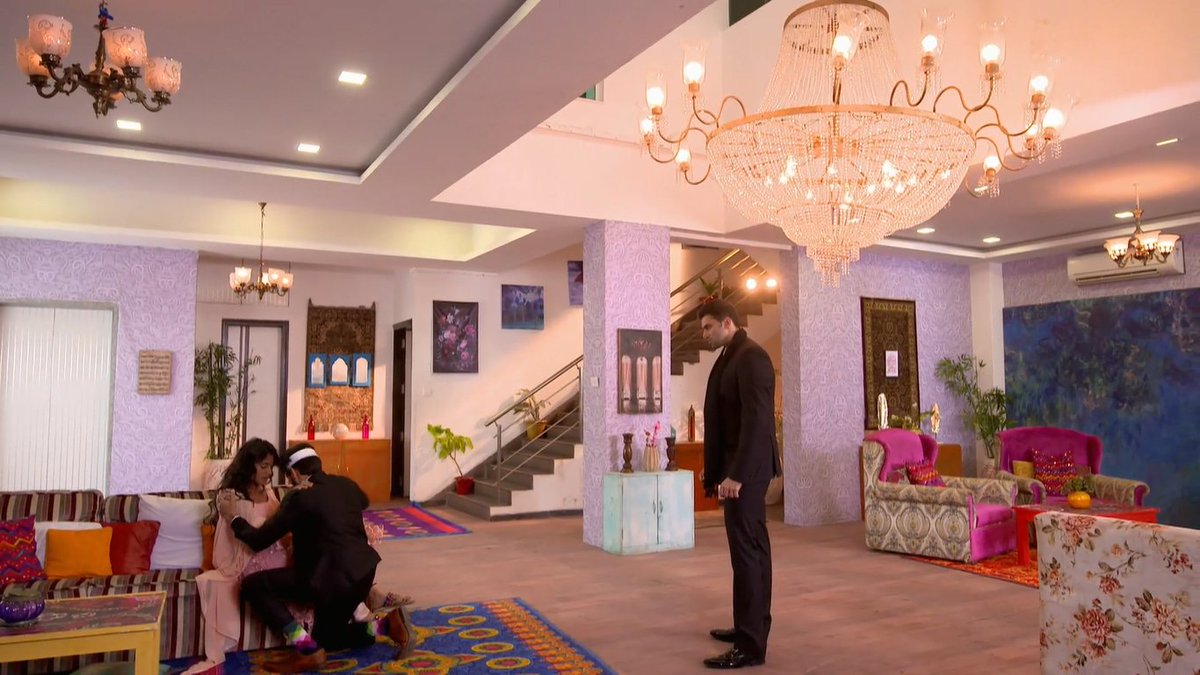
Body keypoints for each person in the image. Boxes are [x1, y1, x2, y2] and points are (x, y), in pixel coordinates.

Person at [217, 443, 412, 673]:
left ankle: (306, 650)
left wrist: (233, 517)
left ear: (294, 473)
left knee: (253, 586)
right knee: (327, 638)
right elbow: (363, 501)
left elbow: (259, 541)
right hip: (363, 575)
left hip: (325, 580)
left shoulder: (299, 496)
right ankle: (388, 626)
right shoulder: (346, 484)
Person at [699, 299, 781, 670]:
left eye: (708, 327)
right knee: (748, 552)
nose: (704, 334)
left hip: (746, 473)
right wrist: (716, 468)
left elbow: (757, 423)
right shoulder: (731, 356)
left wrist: (737, 474)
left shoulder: (751, 358)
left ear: (727, 323)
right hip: (737, 470)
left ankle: (750, 645)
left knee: (748, 554)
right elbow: (725, 420)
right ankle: (749, 626)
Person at [187, 438, 298, 675]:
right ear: (249, 465)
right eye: (264, 466)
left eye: (271, 467)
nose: (270, 473)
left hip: (278, 556)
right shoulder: (231, 497)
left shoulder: (269, 493)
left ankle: (363, 621)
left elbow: (279, 529)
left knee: (316, 570)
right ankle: (307, 645)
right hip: (248, 561)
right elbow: (232, 541)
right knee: (266, 586)